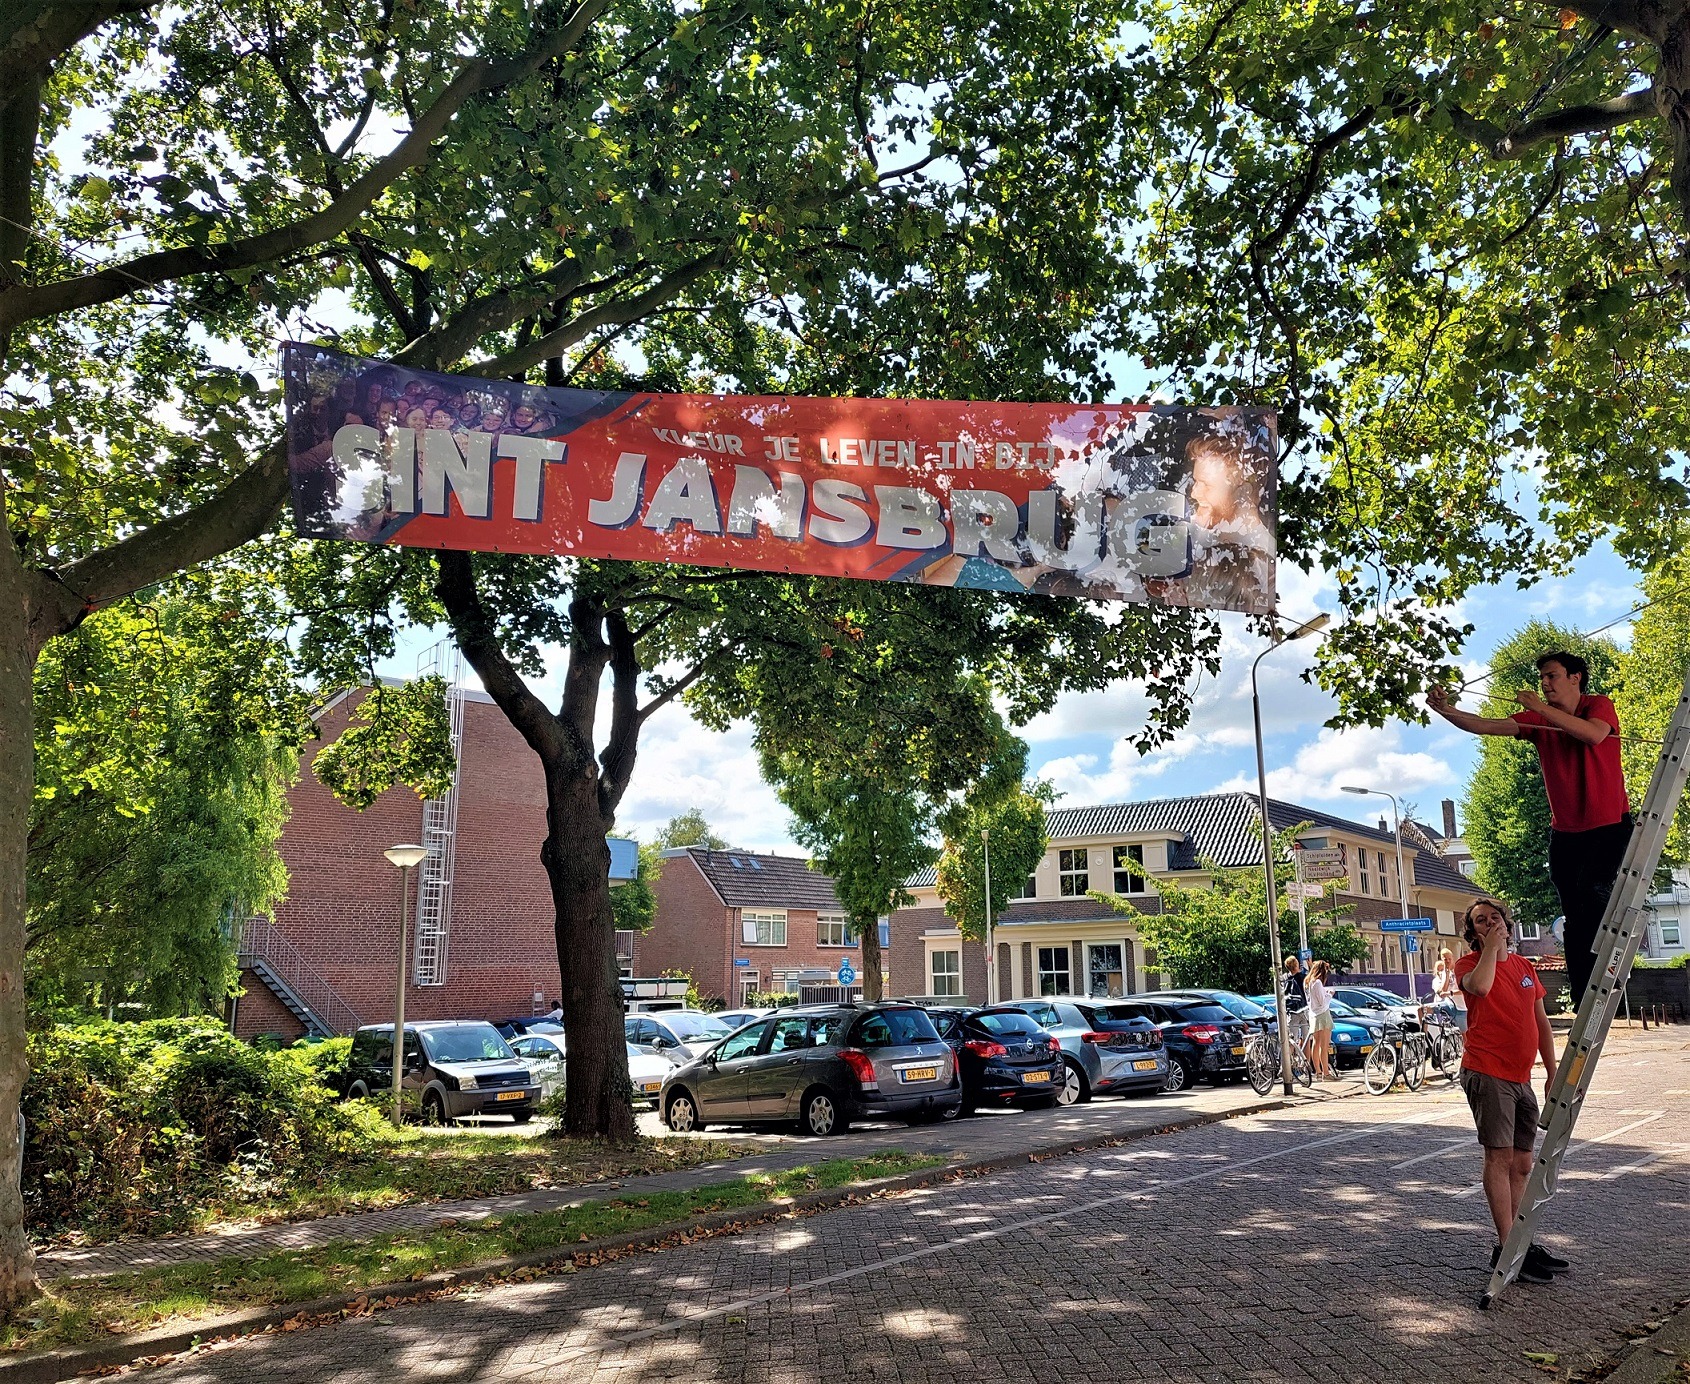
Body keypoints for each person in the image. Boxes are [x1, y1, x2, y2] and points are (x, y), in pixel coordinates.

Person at [1428, 650, 1632, 1004]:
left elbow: (1594, 736)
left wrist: (1540, 708)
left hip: (1608, 824)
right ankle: (1586, 994)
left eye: (1552, 675)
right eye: (1542, 677)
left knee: (1592, 890)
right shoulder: (1539, 720)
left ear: (1575, 678)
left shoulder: (1598, 705)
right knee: (1573, 912)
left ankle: (1610, 968)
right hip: (1567, 832)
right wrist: (1447, 711)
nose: (1545, 683)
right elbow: (1487, 725)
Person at [1454, 897, 1569, 1284]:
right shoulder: (1468, 965)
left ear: (1507, 920)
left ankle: (1522, 1241)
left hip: (1522, 1077)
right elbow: (1482, 988)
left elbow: (1541, 1023)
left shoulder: (1524, 967)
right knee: (1499, 1159)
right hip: (1487, 1073)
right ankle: (1506, 1247)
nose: (1490, 923)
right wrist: (1489, 949)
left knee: (1522, 1163)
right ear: (1474, 932)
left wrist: (1553, 1070)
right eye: (1480, 921)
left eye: (1495, 917)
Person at [1304, 959, 1334, 1079]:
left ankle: (1318, 1071)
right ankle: (1326, 1073)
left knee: (1315, 1044)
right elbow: (1322, 1002)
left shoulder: (1307, 982)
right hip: (1322, 1014)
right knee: (1324, 1045)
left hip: (1313, 1014)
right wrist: (1330, 994)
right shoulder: (1317, 983)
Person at [1433, 946, 1468, 1033]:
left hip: (1461, 1008)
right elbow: (1443, 991)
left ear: (1453, 958)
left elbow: (1463, 990)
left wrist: (1450, 993)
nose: (1448, 961)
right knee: (1424, 1009)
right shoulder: (1445, 973)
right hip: (1451, 1006)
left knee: (1465, 1035)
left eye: (1449, 959)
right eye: (1445, 959)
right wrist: (1447, 973)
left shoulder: (1459, 970)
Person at [1282, 954, 1310, 1050]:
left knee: (1292, 1038)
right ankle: (1306, 1061)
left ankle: (1291, 1060)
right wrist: (1310, 964)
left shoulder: (1285, 978)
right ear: (1296, 965)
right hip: (1304, 1010)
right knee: (1306, 1039)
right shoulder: (1303, 977)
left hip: (1292, 1011)